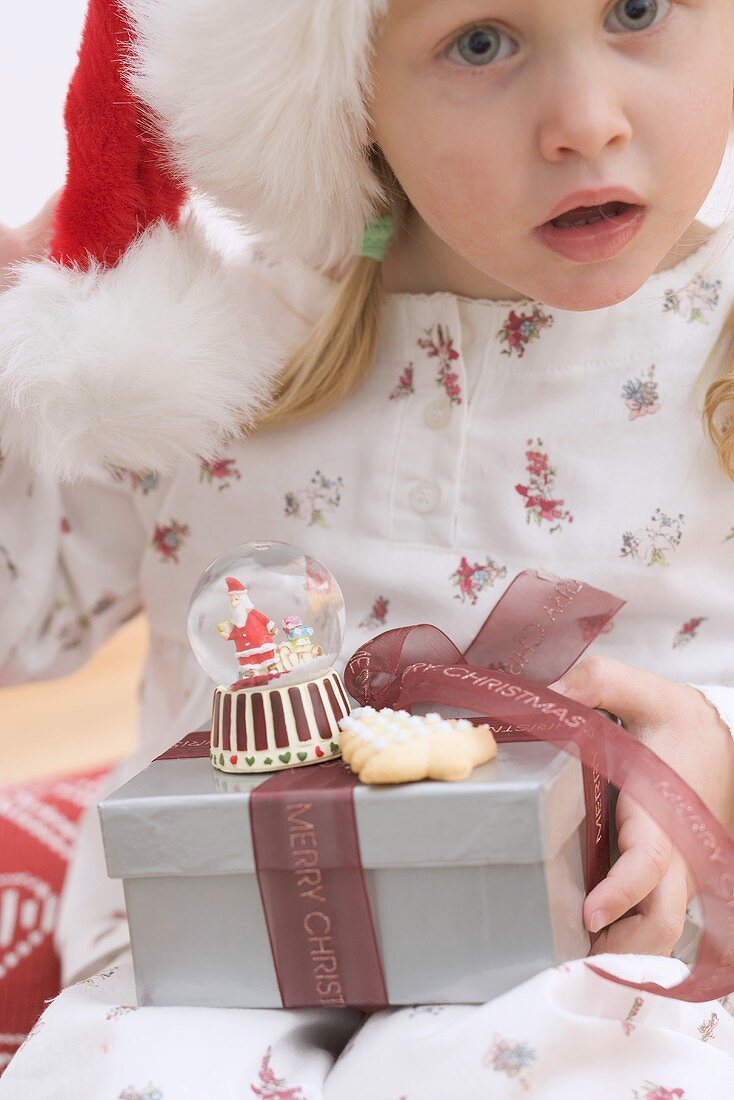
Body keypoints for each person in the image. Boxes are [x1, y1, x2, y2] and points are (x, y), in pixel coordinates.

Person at [2, 0, 734, 1094]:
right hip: (202, 976)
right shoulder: (192, 353)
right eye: (479, 42)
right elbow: (26, 625)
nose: (583, 121)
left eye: (634, 8)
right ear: (341, 98)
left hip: (611, 978)